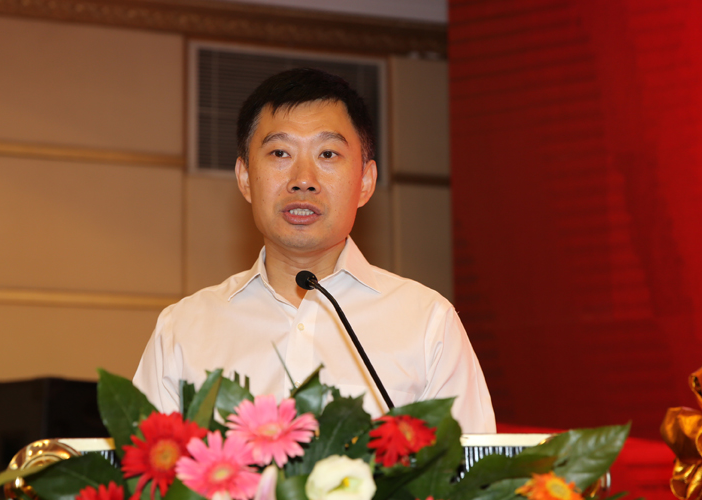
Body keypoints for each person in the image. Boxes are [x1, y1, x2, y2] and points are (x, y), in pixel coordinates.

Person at [134, 68, 496, 433]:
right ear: (244, 178)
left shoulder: (428, 324)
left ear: (365, 182)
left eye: (327, 154)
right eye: (280, 153)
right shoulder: (182, 330)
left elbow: (471, 464)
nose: (303, 180)